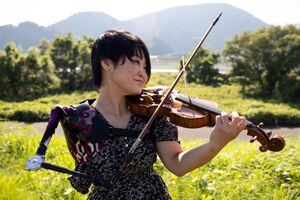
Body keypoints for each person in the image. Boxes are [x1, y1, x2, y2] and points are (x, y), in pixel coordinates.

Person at [27, 29, 247, 199]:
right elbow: (85, 180)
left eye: (145, 66)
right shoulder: (80, 119)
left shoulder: (154, 114)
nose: (143, 72)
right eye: (135, 62)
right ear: (106, 63)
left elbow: (177, 164)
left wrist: (215, 144)